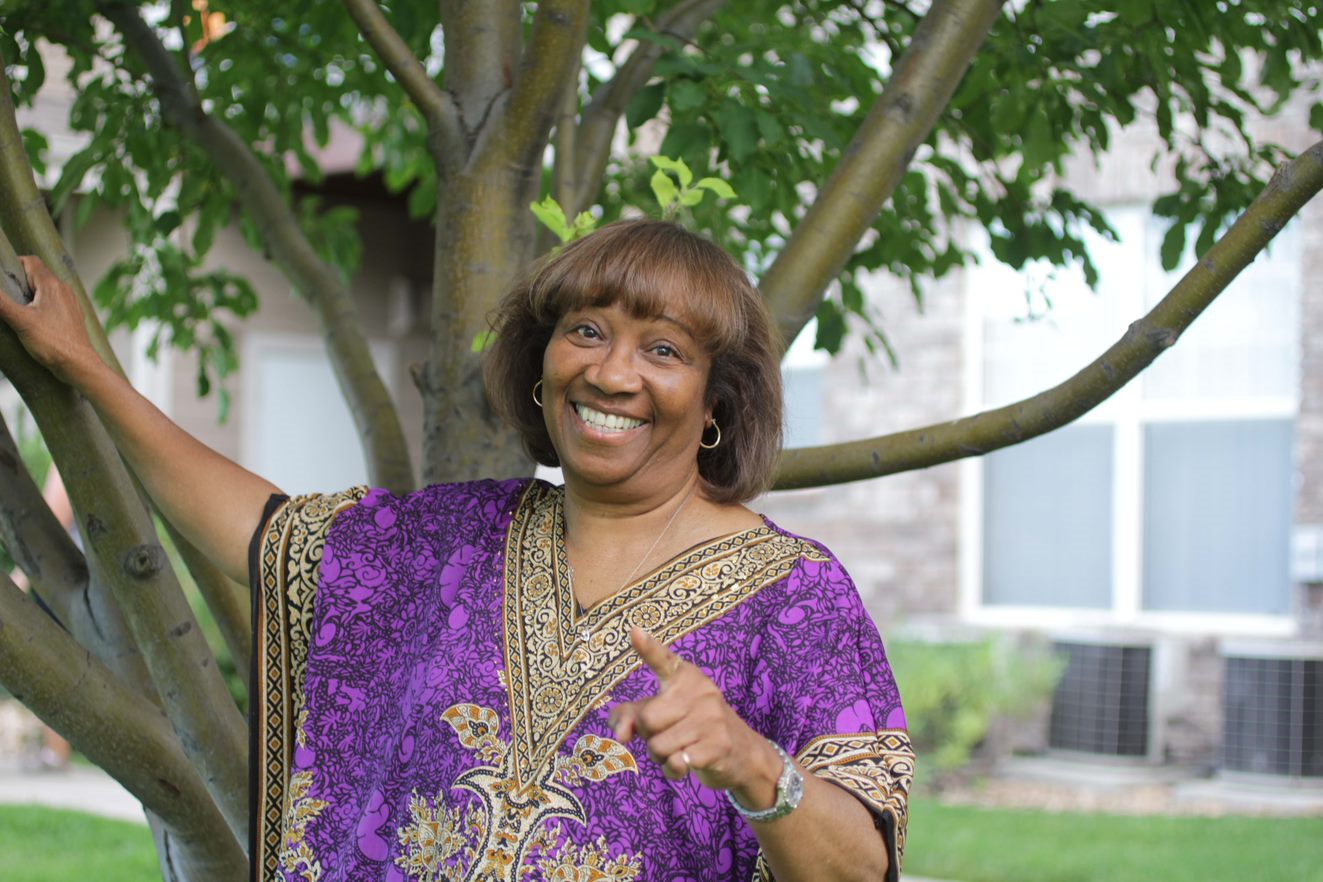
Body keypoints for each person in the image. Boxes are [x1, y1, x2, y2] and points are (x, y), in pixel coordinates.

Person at [0, 220, 913, 882]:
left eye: (663, 349)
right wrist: (87, 368)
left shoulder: (794, 598)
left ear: (717, 404)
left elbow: (857, 871)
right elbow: (257, 527)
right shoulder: (452, 539)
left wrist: (753, 765)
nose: (610, 372)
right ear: (543, 359)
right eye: (586, 330)